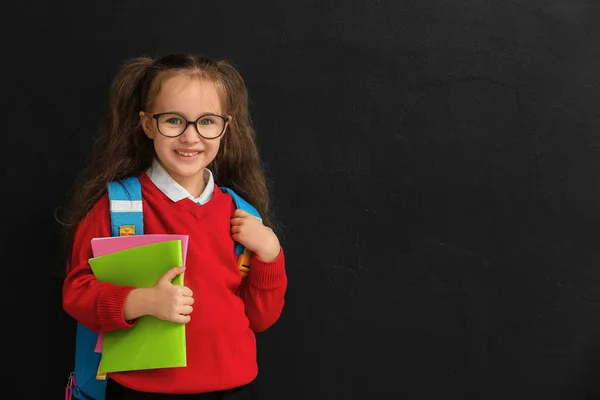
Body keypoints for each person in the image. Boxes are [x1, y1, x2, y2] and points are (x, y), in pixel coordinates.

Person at [62, 53, 287, 399]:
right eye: (174, 120)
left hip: (235, 384)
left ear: (225, 127)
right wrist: (141, 301)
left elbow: (261, 319)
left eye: (207, 122)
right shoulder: (118, 207)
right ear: (148, 124)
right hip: (142, 388)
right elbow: (77, 293)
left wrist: (270, 255)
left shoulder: (242, 214)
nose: (191, 137)